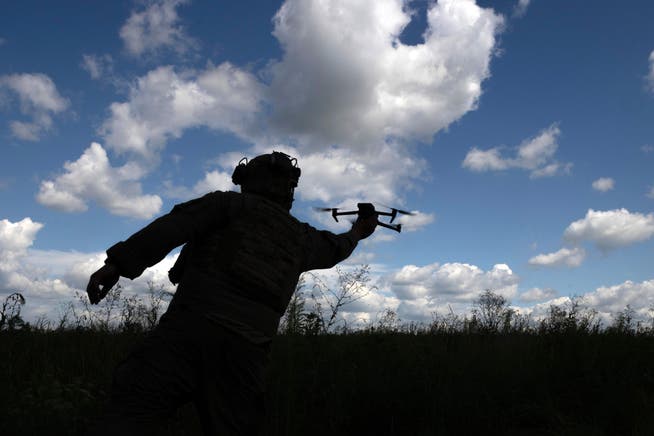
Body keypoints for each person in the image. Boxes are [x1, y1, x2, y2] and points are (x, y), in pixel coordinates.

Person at [86, 151, 378, 436]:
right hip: (245, 354)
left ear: (249, 179)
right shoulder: (302, 237)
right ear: (289, 188)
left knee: (128, 418)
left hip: (183, 335)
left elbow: (172, 226)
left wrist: (117, 264)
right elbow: (336, 247)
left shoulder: (226, 205)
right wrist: (358, 232)